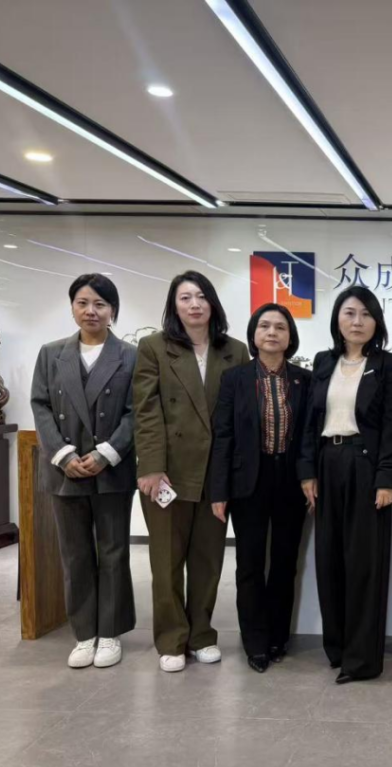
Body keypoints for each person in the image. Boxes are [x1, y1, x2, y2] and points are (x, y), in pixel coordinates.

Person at [133, 270, 250, 673]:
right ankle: (171, 639)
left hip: (216, 475)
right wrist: (151, 466)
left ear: (213, 302)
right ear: (174, 306)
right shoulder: (153, 347)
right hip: (169, 473)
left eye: (201, 296)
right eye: (185, 297)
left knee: (208, 560)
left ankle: (201, 635)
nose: (195, 304)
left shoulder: (235, 350)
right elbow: (146, 411)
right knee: (166, 562)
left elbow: (240, 417)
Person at [298, 286, 392, 685]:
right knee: (329, 560)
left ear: (376, 321)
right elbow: (310, 422)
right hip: (327, 464)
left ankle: (361, 660)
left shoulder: (389, 365)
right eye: (349, 313)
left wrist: (387, 477)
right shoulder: (324, 362)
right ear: (337, 320)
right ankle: (338, 647)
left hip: (367, 467)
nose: (357, 321)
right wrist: (307, 473)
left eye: (365, 314)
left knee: (364, 565)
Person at [31, 273, 137, 669]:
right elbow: (40, 405)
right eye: (83, 303)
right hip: (66, 470)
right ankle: (84, 634)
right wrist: (62, 454)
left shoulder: (130, 355)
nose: (91, 311)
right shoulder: (51, 353)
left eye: (100, 304)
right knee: (74, 554)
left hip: (112, 469)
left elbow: (137, 411)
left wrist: (108, 452)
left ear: (113, 311)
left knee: (113, 552)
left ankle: (110, 632)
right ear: (72, 307)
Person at [210, 303, 311, 674]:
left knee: (285, 562)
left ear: (290, 336)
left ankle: (278, 636)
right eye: (265, 326)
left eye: (280, 327)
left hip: (290, 480)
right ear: (254, 334)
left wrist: (308, 476)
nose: (272, 333)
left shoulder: (304, 379)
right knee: (250, 565)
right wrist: (219, 490)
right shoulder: (235, 379)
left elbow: (308, 435)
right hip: (247, 481)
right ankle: (254, 641)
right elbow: (223, 435)